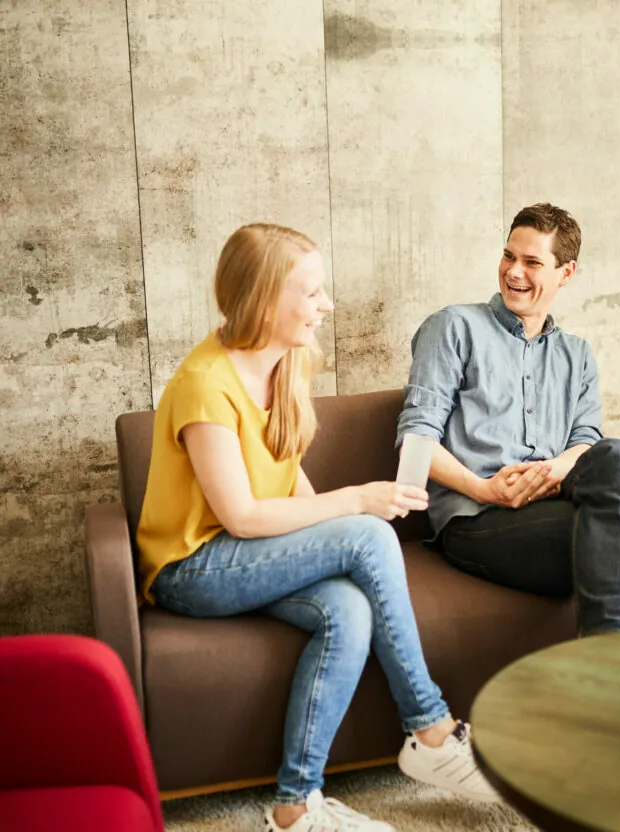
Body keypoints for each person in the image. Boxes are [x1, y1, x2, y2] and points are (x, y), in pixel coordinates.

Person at [136, 224, 497, 832]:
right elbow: (242, 516)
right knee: (369, 532)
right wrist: (353, 503)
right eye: (312, 292)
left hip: (247, 554)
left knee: (349, 610)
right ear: (264, 298)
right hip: (190, 568)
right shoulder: (205, 385)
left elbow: (285, 468)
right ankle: (432, 730)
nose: (326, 305)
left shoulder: (287, 363)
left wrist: (330, 522)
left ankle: (295, 805)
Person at [396, 203, 620, 634]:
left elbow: (585, 440)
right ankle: (616, 663)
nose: (513, 272)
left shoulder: (577, 354)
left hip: (552, 501)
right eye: (509, 256)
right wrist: (487, 490)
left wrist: (549, 473)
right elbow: (415, 441)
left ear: (565, 273)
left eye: (532, 262)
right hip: (478, 518)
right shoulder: (454, 326)